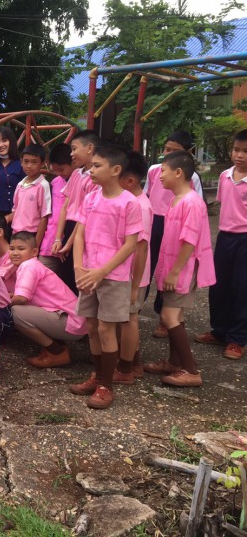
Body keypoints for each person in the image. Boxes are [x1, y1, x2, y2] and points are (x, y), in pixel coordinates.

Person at [70, 144, 142, 409]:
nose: (91, 170)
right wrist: (78, 267)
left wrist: (102, 270)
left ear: (115, 170)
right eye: (91, 166)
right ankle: (98, 375)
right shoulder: (91, 198)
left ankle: (105, 386)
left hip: (113, 276)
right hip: (88, 272)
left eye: (97, 166)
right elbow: (79, 234)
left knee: (105, 328)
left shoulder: (130, 203)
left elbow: (130, 244)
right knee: (91, 327)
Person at [145, 152, 215, 386]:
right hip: (173, 266)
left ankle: (191, 371)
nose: (159, 175)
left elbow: (189, 241)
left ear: (178, 173)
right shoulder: (177, 199)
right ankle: (175, 362)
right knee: (176, 315)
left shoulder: (191, 202)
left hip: (181, 269)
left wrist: (175, 272)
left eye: (163, 170)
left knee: (168, 316)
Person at [144, 130, 205, 338]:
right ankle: (137, 303)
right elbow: (147, 195)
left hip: (178, 226)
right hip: (155, 221)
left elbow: (197, 212)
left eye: (174, 151)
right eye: (166, 149)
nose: (167, 154)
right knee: (149, 266)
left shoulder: (192, 180)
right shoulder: (154, 170)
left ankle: (165, 317)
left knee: (170, 270)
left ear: (187, 153)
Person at [197, 130, 247, 360]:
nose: (240, 155)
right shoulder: (225, 176)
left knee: (242, 288)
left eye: (245, 152)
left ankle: (237, 338)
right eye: (236, 150)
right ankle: (220, 331)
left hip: (245, 240)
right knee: (219, 286)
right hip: (225, 236)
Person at [8, 231, 87, 368]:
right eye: (12, 249)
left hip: (72, 322)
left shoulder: (28, 266)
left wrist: (0, 302)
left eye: (21, 249)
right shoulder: (34, 264)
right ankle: (57, 346)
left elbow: (21, 299)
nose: (15, 253)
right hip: (74, 320)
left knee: (15, 312)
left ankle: (57, 352)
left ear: (34, 252)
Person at [116, 151, 153, 382]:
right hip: (126, 272)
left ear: (130, 180)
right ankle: (131, 362)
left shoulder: (141, 207)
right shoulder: (132, 202)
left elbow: (141, 249)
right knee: (124, 318)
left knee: (129, 318)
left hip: (134, 274)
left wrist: (135, 285)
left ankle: (127, 368)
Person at [51, 130, 100, 278]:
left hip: (82, 229)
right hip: (70, 227)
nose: (71, 154)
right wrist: (58, 238)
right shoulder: (76, 173)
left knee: (77, 274)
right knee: (66, 274)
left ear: (89, 148)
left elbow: (85, 216)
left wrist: (69, 243)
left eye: (74, 149)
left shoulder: (96, 178)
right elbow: (65, 206)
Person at [39, 143, 74, 278]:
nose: (59, 174)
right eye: (55, 171)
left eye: (62, 169)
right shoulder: (55, 182)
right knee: (43, 276)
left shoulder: (82, 182)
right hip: (50, 240)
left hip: (69, 240)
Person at [9, 143, 51, 249]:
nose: (29, 166)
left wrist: (36, 245)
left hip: (31, 235)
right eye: (26, 161)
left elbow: (44, 217)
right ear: (21, 162)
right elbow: (15, 210)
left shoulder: (43, 185)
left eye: (34, 162)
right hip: (15, 233)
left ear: (42, 163)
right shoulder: (20, 185)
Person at [0, 127, 25, 216]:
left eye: (4, 140)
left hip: (19, 213)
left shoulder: (22, 166)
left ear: (12, 142)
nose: (0, 145)